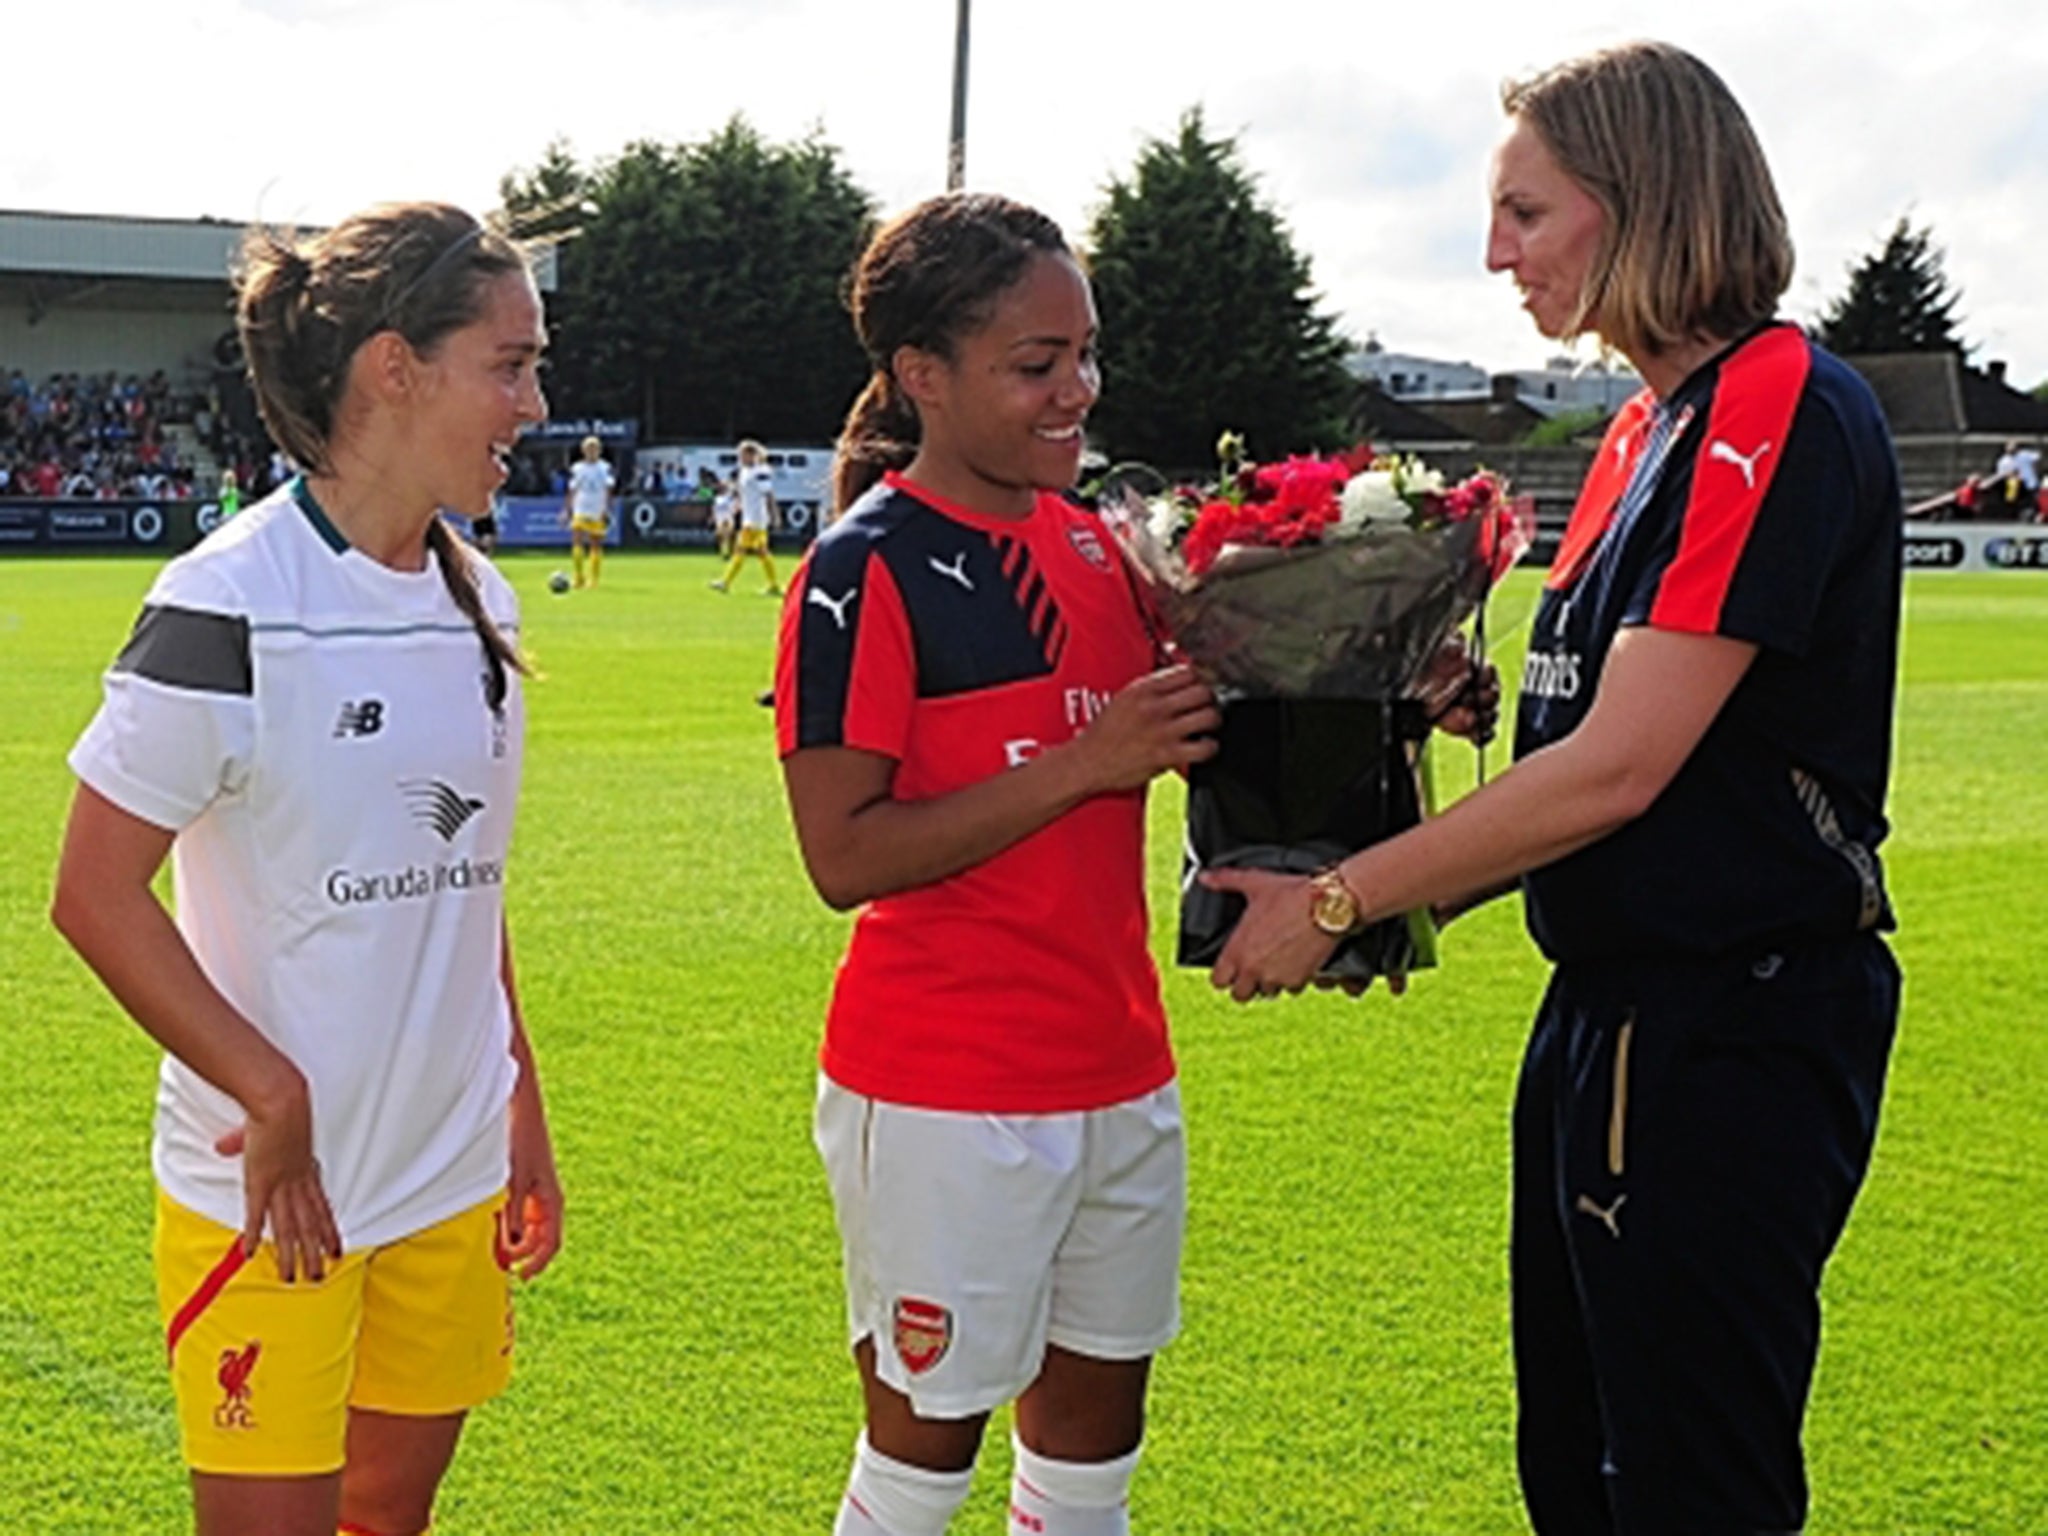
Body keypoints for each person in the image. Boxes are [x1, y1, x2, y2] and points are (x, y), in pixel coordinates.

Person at [1206, 42, 1903, 1536]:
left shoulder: (1774, 398)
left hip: (1727, 1017)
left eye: (1527, 211)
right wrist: (1427, 713)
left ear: (1637, 201)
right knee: (1583, 1466)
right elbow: (1586, 731)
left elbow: (1625, 766)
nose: (1494, 251)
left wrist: (1337, 899)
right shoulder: (1646, 429)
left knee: (1684, 1486)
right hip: (1618, 1015)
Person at [50, 201, 564, 1536]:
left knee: (388, 1514)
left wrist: (521, 1111)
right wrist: (269, 1092)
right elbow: (92, 894)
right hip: (274, 1192)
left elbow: (467, 879)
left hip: (446, 1169)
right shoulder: (227, 605)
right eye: (508, 366)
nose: (535, 402)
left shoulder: (482, 600)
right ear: (397, 367)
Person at [774, 192, 1220, 1536]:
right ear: (923, 375)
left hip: (1121, 1071)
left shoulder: (1104, 548)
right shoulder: (861, 576)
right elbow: (842, 855)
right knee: (919, 1472)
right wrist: (1085, 766)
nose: (1076, 390)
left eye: (1086, 354)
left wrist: (1383, 695)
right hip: (945, 1090)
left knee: (1092, 1462)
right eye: (1037, 364)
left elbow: (1200, 735)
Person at [709, 437, 781, 594]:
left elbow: (768, 495)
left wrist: (774, 514)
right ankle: (773, 585)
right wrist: (738, 506)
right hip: (749, 517)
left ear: (750, 455)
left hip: (756, 518)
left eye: (742, 454)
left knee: (740, 549)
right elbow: (745, 494)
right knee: (762, 552)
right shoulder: (744, 472)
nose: (740, 458)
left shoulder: (760, 471)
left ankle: (725, 582)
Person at [562, 433, 613, 587]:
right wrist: (567, 509)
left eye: (595, 449)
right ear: (583, 451)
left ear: (599, 451)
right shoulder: (577, 468)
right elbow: (572, 490)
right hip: (581, 506)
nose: (592, 452)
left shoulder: (605, 468)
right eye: (589, 449)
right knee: (577, 539)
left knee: (595, 543)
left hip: (597, 508)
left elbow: (609, 489)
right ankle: (578, 577)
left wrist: (607, 509)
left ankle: (594, 579)